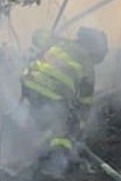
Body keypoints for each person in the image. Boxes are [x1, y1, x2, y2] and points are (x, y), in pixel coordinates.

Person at [20, 26, 108, 170]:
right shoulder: (88, 68)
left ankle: (28, 145)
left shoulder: (60, 42)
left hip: (29, 84)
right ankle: (56, 160)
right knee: (67, 127)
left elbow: (38, 35)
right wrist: (80, 124)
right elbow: (84, 104)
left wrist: (51, 35)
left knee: (41, 118)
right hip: (53, 94)